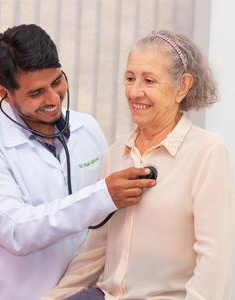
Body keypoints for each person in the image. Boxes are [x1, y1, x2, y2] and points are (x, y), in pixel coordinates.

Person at [0, 24, 156, 300]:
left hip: (84, 290)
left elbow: (108, 221)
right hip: (22, 293)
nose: (53, 99)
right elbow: (17, 231)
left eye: (56, 81)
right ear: (4, 92)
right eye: (36, 93)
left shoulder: (86, 127)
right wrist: (103, 196)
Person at [42, 30, 235, 300]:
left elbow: (213, 260)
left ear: (182, 87)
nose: (134, 92)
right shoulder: (117, 154)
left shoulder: (207, 153)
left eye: (149, 80)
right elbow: (97, 248)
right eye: (130, 78)